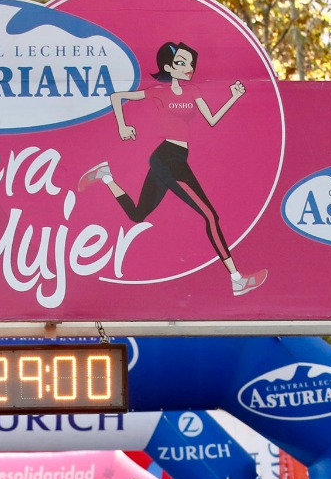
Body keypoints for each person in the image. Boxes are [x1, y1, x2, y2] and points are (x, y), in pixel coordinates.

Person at [79, 41, 267, 297]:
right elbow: (116, 97)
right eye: (181, 63)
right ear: (168, 67)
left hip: (176, 158)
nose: (188, 68)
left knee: (137, 214)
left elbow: (212, 119)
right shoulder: (158, 91)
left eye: (190, 63)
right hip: (167, 159)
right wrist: (122, 126)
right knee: (210, 216)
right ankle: (236, 279)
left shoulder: (194, 91)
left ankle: (106, 176)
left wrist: (233, 97)